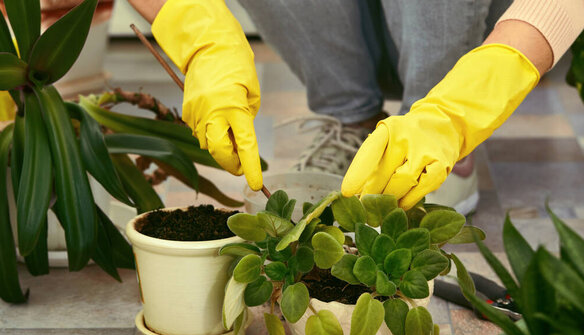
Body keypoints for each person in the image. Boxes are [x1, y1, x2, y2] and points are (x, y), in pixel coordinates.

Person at [128, 0, 584, 212]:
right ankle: (353, 121)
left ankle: (440, 150)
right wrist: (200, 34)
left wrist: (458, 110)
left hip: (474, 24)